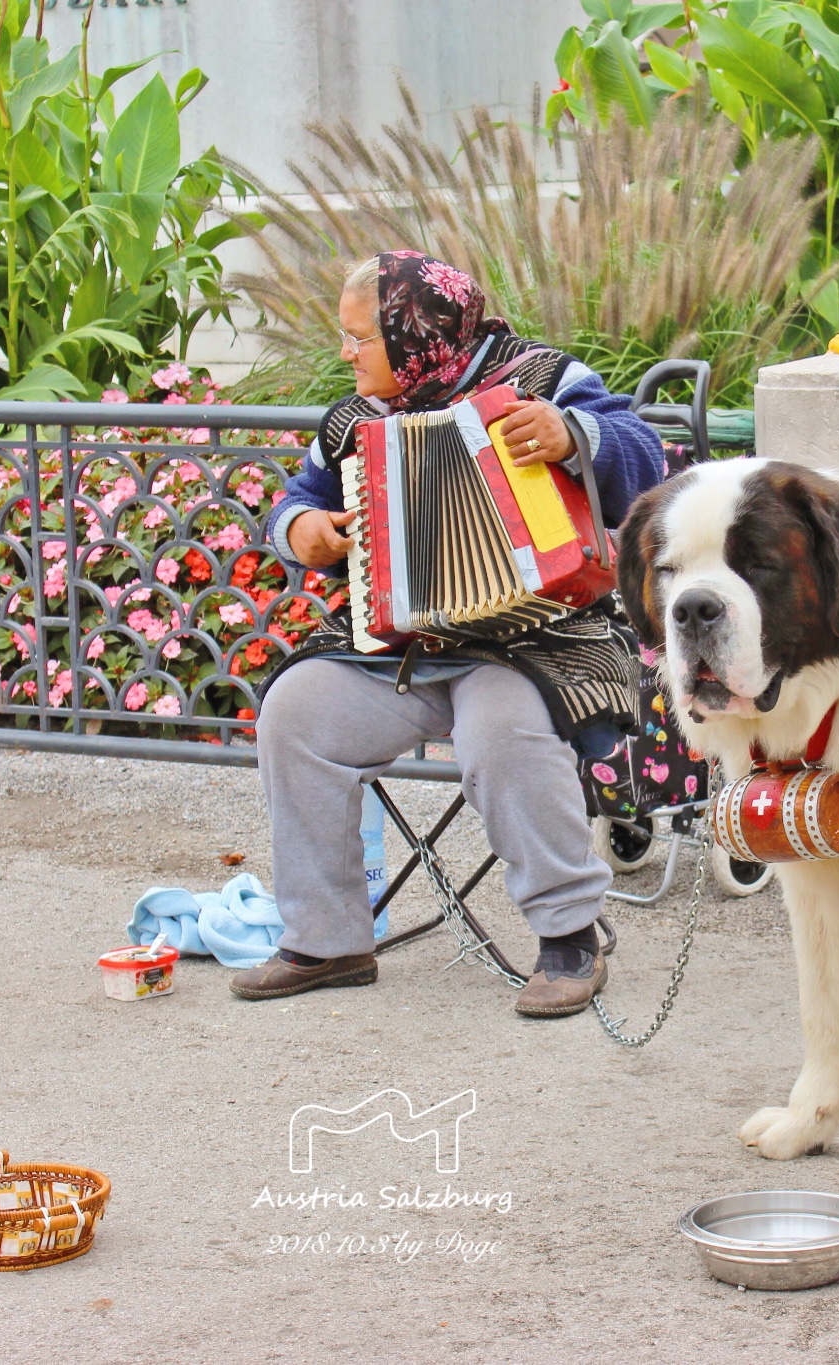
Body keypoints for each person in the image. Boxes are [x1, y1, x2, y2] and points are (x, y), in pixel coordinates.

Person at [234, 251, 666, 1017]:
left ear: (410, 334)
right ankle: (327, 939)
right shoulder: (356, 421)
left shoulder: (541, 378)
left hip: (542, 638)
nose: (345, 352)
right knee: (295, 709)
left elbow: (648, 454)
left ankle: (571, 936)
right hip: (408, 647)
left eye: (357, 336)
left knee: (499, 731)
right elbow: (296, 500)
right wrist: (300, 528)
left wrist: (573, 436)